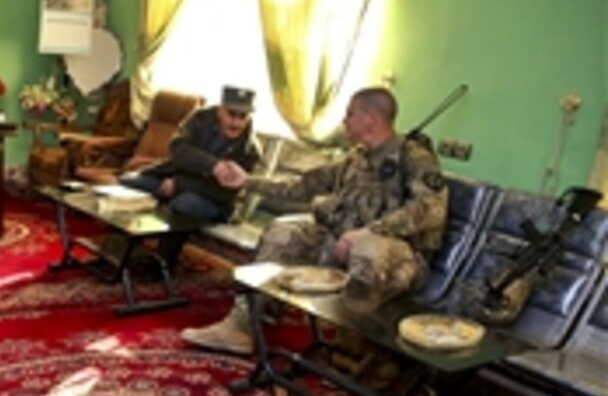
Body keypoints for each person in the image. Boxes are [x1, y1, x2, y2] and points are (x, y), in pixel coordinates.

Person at [182, 87, 448, 354]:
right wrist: (248, 181)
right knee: (283, 233)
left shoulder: (414, 157)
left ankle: (359, 349)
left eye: (350, 114)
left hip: (400, 260)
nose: (345, 121)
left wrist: (369, 232)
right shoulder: (356, 157)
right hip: (344, 244)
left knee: (369, 248)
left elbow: (431, 208)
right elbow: (303, 186)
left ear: (372, 119)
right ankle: (240, 326)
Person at [121, 85, 263, 222]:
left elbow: (225, 193)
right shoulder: (200, 118)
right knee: (127, 182)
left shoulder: (250, 150)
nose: (236, 123)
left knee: (184, 205)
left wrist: (179, 183)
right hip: (174, 177)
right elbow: (178, 149)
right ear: (220, 111)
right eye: (231, 114)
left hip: (212, 200)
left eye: (242, 117)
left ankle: (166, 247)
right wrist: (214, 166)